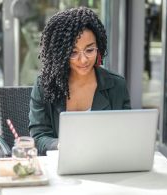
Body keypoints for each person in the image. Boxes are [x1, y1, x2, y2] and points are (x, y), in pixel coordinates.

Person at [28, 7, 131, 155]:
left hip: (106, 163)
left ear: (99, 48)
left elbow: (126, 135)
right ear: (60, 54)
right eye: (73, 53)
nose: (83, 60)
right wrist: (60, 145)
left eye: (89, 50)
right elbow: (38, 137)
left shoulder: (116, 85)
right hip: (60, 167)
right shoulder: (44, 85)